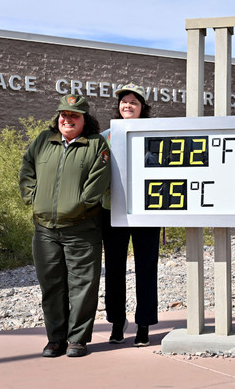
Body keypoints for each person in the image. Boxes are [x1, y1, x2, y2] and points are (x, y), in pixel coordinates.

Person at [19, 94, 110, 358]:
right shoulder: (43, 141)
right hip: (45, 229)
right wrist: (31, 196)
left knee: (83, 286)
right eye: (63, 114)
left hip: (82, 229)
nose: (67, 119)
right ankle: (55, 339)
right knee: (51, 285)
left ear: (85, 120)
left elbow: (99, 181)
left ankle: (78, 340)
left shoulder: (96, 144)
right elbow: (27, 168)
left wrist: (79, 204)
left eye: (73, 116)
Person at [101, 83, 160, 347]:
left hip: (146, 211)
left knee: (146, 268)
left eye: (133, 102)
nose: (128, 106)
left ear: (142, 107)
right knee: (114, 269)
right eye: (124, 102)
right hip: (112, 211)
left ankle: (144, 324)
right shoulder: (106, 135)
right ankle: (116, 322)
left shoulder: (155, 134)